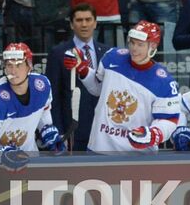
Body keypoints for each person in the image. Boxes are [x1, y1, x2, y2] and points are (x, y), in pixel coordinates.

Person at [64, 20, 179, 154]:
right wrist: (82, 68)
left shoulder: (164, 81)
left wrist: (153, 134)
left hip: (137, 156)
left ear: (152, 46)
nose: (134, 49)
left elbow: (169, 119)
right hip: (100, 148)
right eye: (132, 42)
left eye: (140, 45)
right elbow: (97, 89)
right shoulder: (112, 57)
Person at [45, 3, 114, 152]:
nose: (84, 24)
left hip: (102, 128)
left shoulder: (108, 52)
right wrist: (59, 131)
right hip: (72, 129)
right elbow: (53, 97)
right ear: (71, 24)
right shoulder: (58, 53)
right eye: (79, 20)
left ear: (95, 23)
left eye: (88, 20)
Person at [0, 42, 64, 159]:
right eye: (9, 65)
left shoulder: (42, 85)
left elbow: (43, 111)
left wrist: (47, 129)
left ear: (29, 66)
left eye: (18, 65)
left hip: (30, 157)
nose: (13, 71)